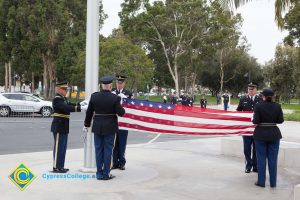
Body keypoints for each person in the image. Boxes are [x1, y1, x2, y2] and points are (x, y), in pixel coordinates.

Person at [83, 75, 125, 180]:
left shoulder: (94, 96)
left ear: (102, 86)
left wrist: (86, 124)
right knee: (108, 150)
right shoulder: (115, 98)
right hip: (110, 128)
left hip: (97, 127)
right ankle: (106, 173)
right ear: (110, 86)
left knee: (98, 150)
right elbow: (121, 113)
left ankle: (99, 173)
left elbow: (89, 112)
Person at [252, 88, 283, 188]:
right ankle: (273, 183)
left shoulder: (259, 105)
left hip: (260, 134)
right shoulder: (278, 106)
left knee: (261, 159)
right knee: (273, 160)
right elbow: (280, 120)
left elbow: (255, 121)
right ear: (272, 96)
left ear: (263, 96)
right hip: (274, 134)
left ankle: (261, 182)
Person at [51, 81, 81, 173]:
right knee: (58, 148)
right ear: (59, 89)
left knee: (63, 148)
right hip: (59, 126)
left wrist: (80, 105)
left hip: (64, 125)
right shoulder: (57, 99)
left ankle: (61, 166)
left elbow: (70, 104)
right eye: (64, 89)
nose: (66, 91)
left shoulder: (63, 98)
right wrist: (78, 108)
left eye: (66, 89)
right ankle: (56, 167)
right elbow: (66, 108)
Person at [237, 82, 262, 173]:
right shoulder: (243, 98)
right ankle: (248, 165)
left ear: (256, 90)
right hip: (247, 129)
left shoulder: (260, 99)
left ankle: (255, 166)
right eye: (249, 89)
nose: (250, 91)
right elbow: (238, 111)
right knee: (247, 148)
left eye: (252, 89)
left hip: (257, 129)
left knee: (256, 148)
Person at [111, 74, 133, 170]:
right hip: (114, 121)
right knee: (114, 143)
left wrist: (126, 99)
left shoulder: (128, 93)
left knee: (122, 143)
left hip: (124, 121)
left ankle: (122, 162)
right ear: (116, 83)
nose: (119, 84)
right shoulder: (112, 92)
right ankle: (114, 162)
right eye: (118, 82)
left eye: (121, 83)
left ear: (124, 83)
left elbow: (132, 107)